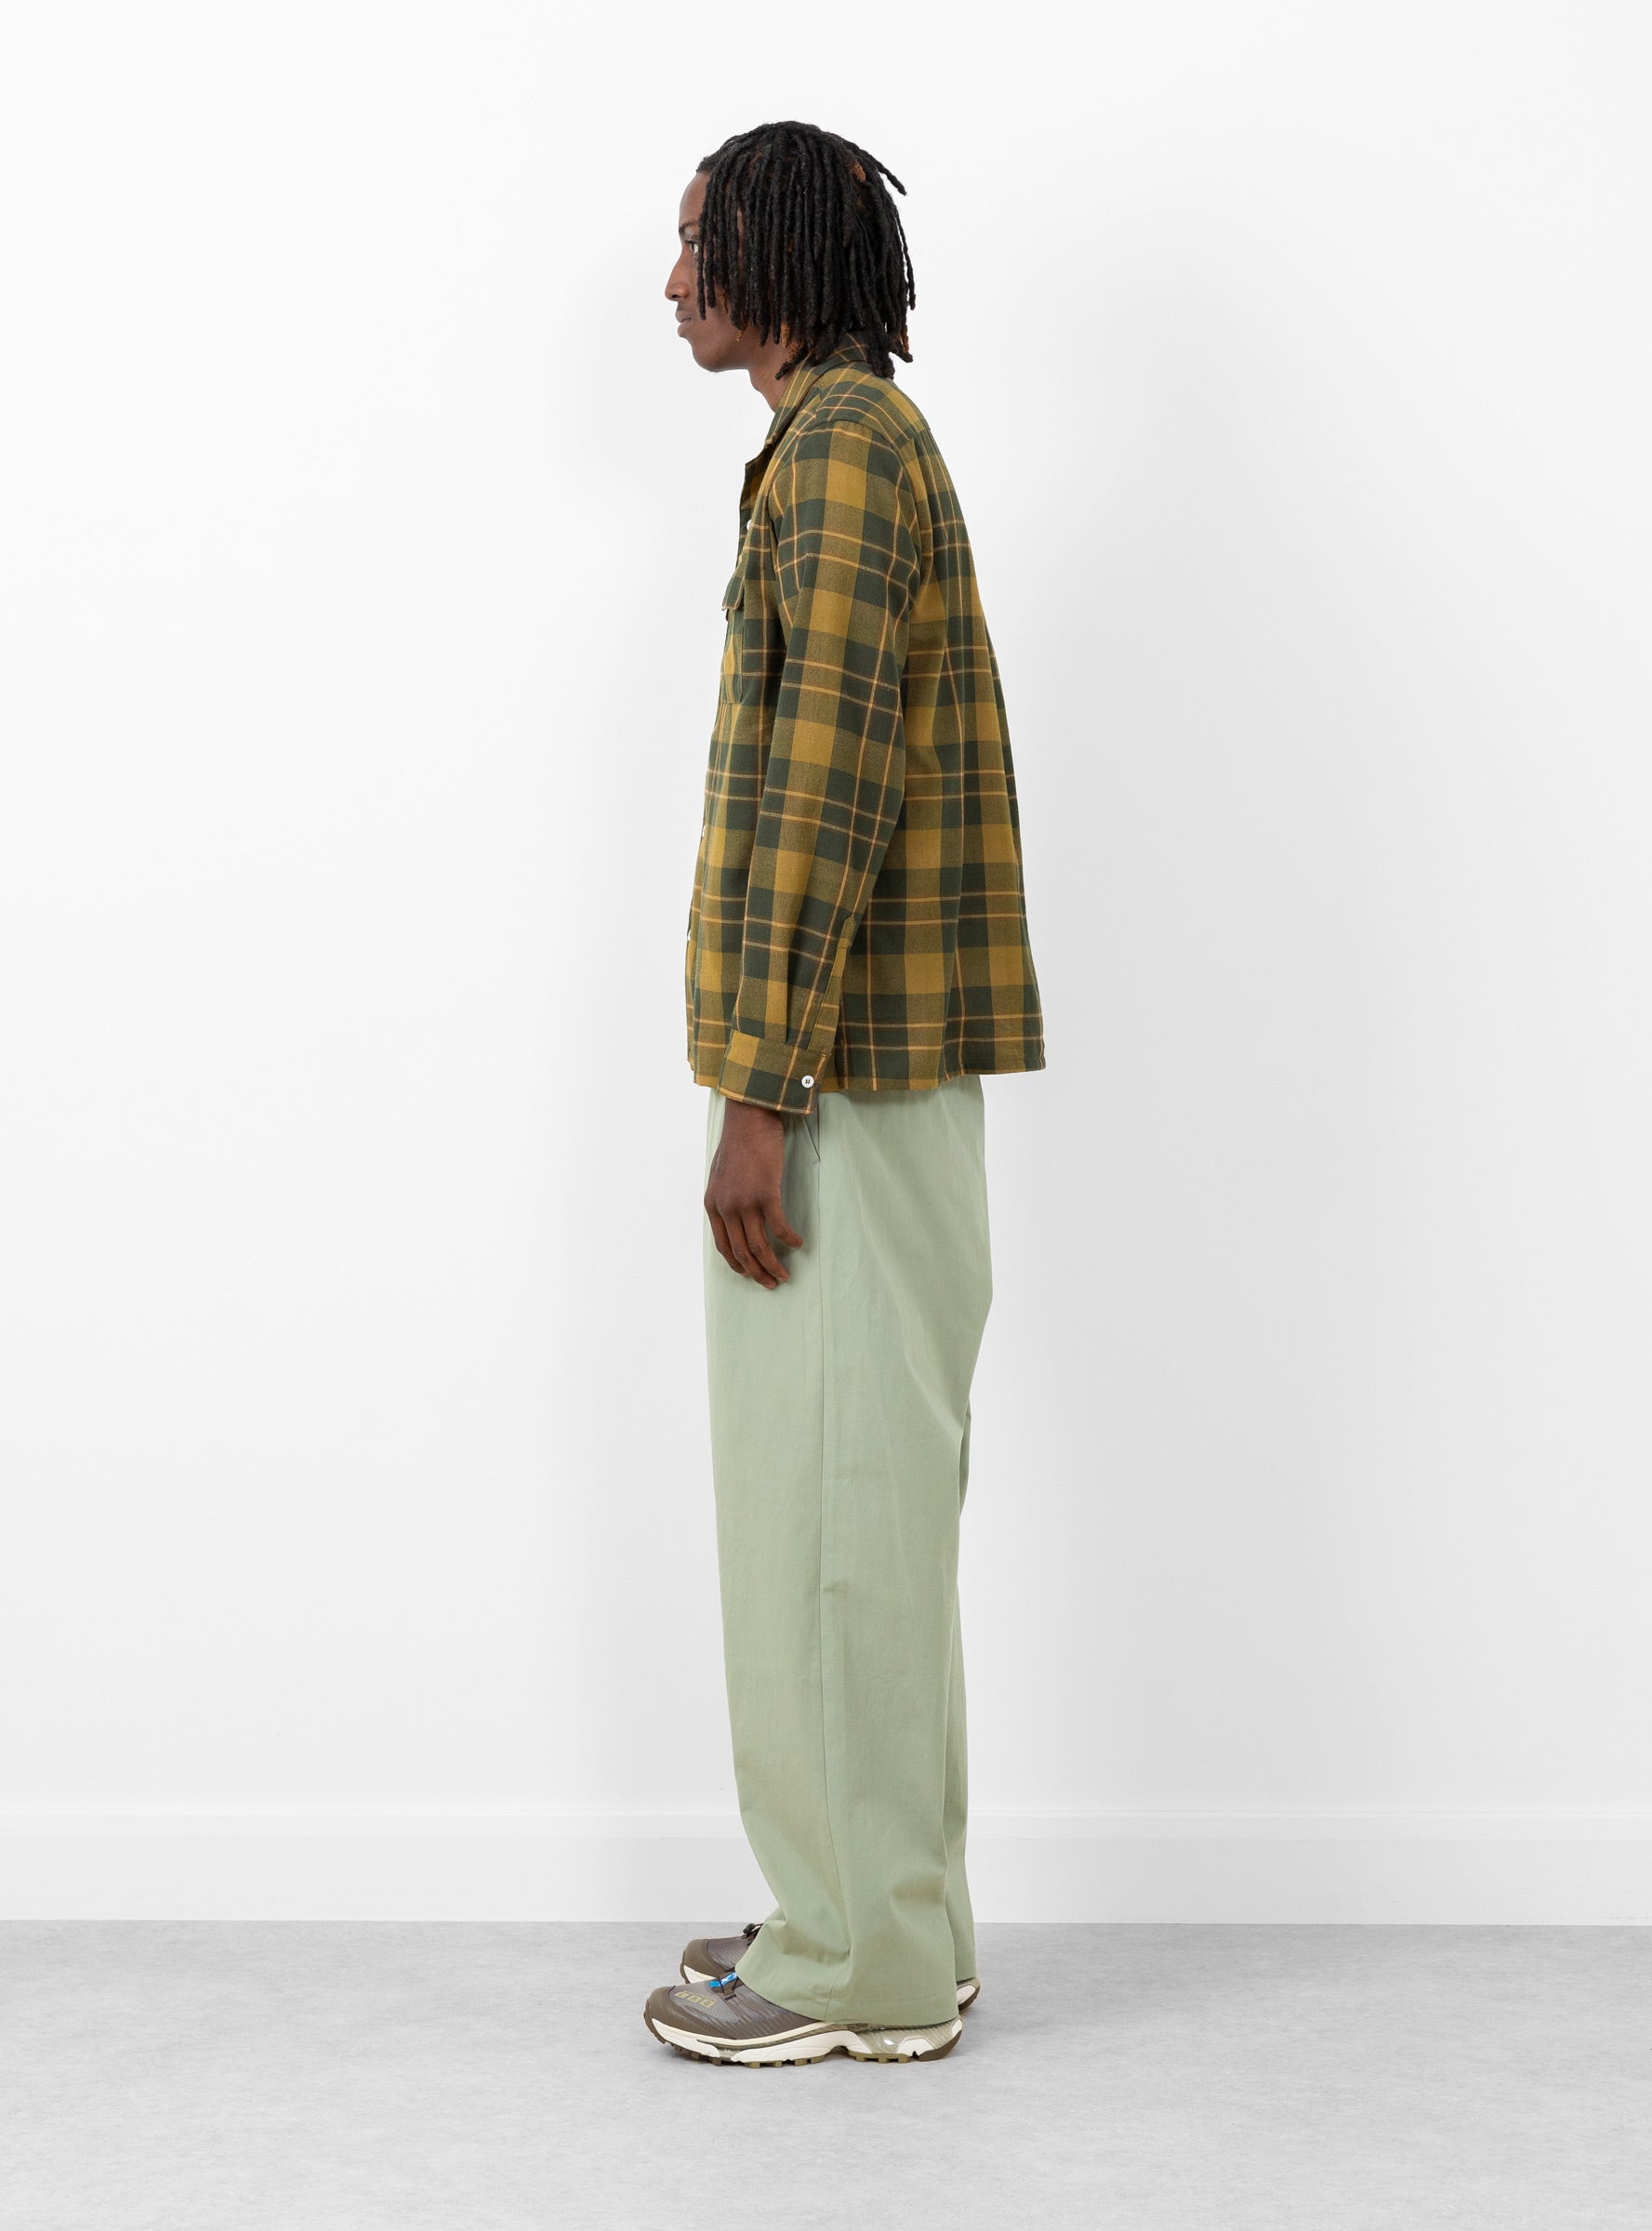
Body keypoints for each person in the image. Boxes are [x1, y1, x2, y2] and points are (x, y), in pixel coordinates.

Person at [644, 119, 1044, 2067]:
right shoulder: (851, 444)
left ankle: (848, 1965)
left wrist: (760, 1090)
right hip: (871, 1076)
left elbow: (827, 781)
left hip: (837, 1086)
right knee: (864, 1519)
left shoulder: (841, 453)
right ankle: (892, 1917)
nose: (671, 284)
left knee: (826, 1524)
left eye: (697, 243)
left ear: (779, 257)